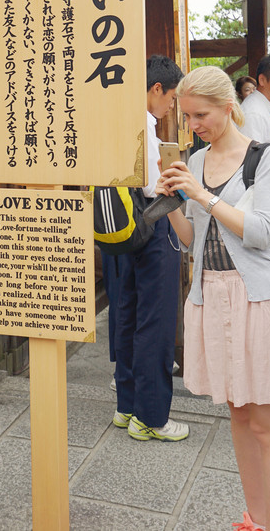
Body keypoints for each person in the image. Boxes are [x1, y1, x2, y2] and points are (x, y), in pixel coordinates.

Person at [156, 65, 270, 531]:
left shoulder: (262, 157)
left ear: (229, 107)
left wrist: (202, 196)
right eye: (187, 118)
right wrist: (169, 204)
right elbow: (190, 240)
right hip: (212, 295)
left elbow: (263, 231)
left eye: (200, 115)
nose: (193, 126)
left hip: (257, 300)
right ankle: (255, 520)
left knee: (268, 426)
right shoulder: (196, 160)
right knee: (239, 420)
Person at [112, 54, 189, 441]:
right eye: (172, 97)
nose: (171, 106)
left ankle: (127, 406)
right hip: (155, 224)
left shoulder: (115, 116)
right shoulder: (143, 123)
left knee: (128, 314)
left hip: (127, 228)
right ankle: (152, 417)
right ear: (156, 89)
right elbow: (151, 186)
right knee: (155, 322)